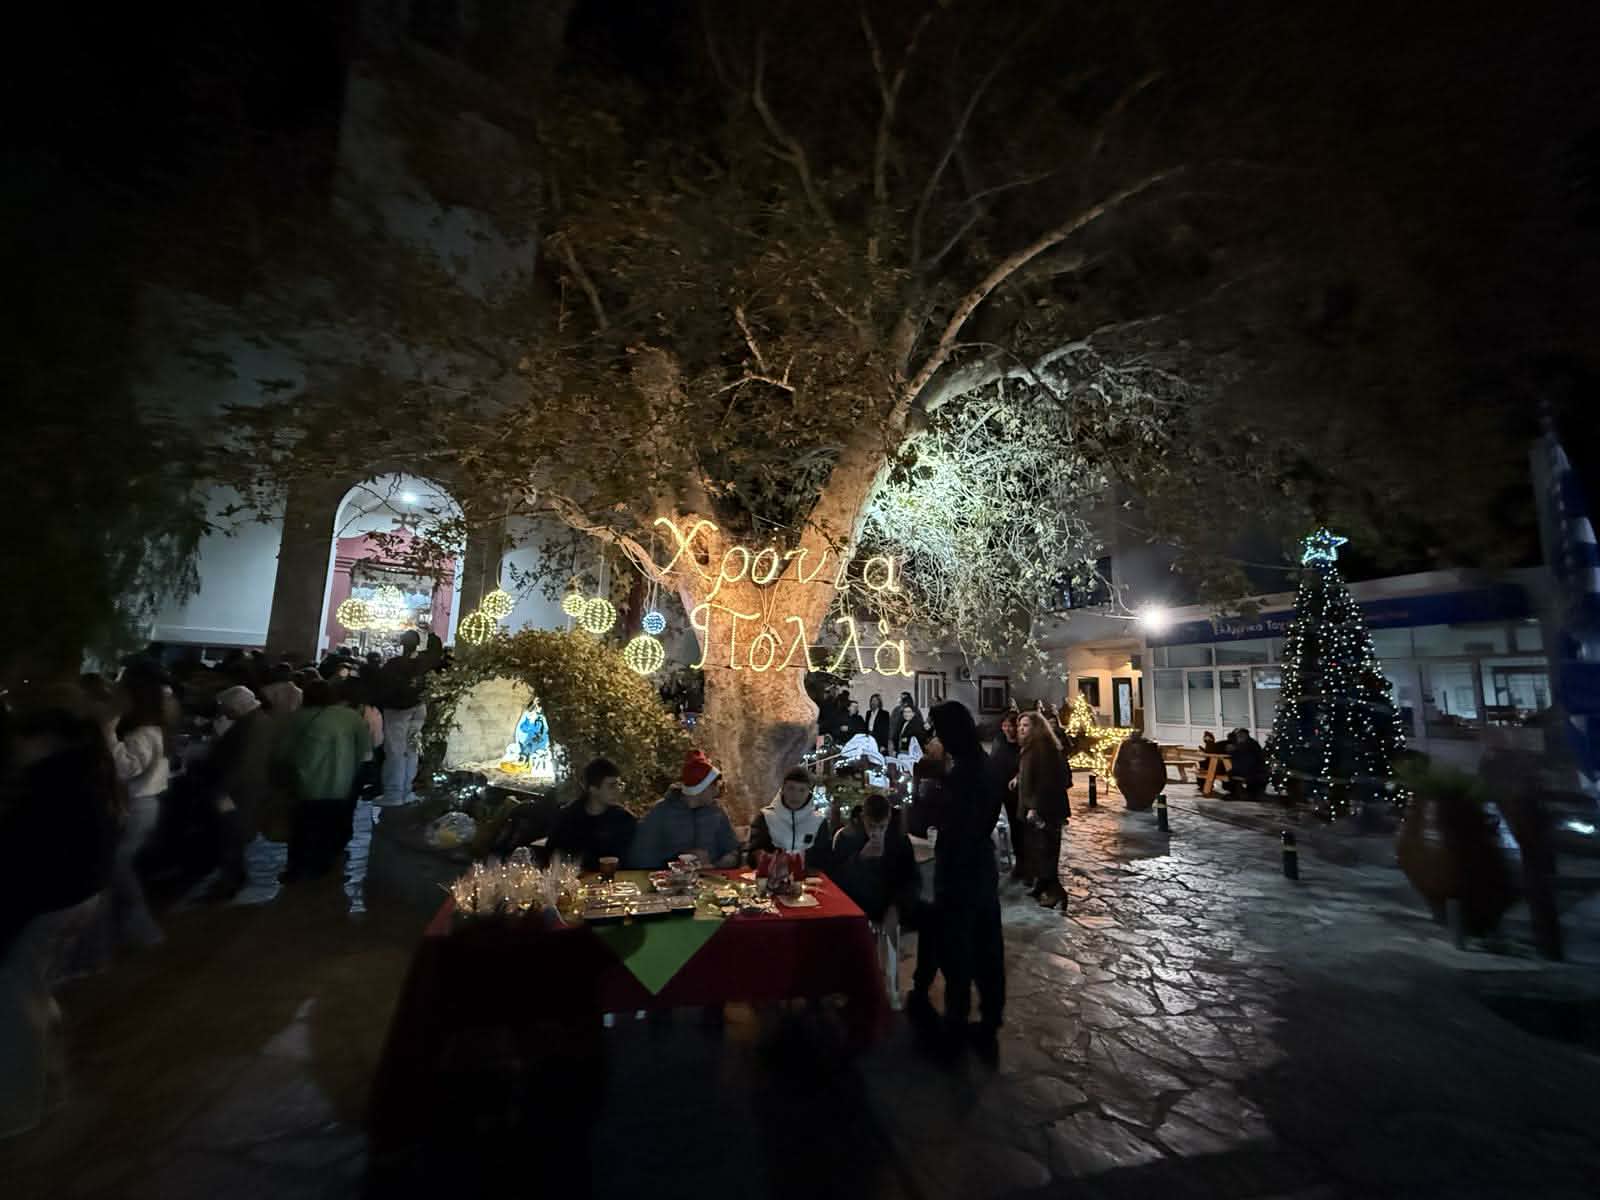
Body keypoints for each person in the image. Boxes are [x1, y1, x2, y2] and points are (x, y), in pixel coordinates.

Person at [0, 689, 120, 1138]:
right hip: (76, 899)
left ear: (41, 740)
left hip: (45, 905)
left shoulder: (50, 786)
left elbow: (24, 869)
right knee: (34, 993)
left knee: (15, 1007)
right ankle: (52, 1083)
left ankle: (15, 1112)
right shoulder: (84, 773)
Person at [913, 700, 1003, 1052]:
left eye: (938, 731)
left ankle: (956, 1019)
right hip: (980, 863)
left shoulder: (965, 774)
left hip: (961, 866)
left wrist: (934, 798)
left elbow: (957, 821)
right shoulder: (981, 764)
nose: (934, 738)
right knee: (986, 943)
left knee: (959, 945)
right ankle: (989, 1015)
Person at [274, 678, 372, 881]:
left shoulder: (297, 718)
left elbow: (283, 752)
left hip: (306, 783)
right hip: (342, 782)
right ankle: (324, 865)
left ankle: (297, 869)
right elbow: (364, 749)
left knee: (302, 827)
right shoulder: (350, 717)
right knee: (331, 825)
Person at [103, 673, 170, 948]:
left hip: (138, 805)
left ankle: (142, 926)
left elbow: (125, 768)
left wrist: (108, 730)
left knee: (118, 866)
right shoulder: (153, 730)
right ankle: (133, 927)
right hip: (145, 804)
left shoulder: (143, 734)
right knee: (120, 866)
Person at [202, 685, 276, 898]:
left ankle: (230, 882)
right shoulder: (259, 721)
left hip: (238, 792)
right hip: (246, 789)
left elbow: (242, 764)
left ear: (237, 707)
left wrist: (221, 791)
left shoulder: (250, 726)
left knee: (230, 835)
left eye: (226, 707)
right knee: (234, 836)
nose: (224, 711)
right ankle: (234, 877)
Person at [627, 750, 739, 869]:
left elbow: (732, 850)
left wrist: (724, 862)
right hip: (672, 879)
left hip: (712, 878)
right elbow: (640, 859)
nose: (717, 791)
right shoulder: (661, 812)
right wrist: (679, 860)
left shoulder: (717, 811)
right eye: (715, 786)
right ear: (703, 788)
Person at [829, 791, 921, 926]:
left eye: (882, 827)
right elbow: (836, 881)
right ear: (863, 817)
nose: (876, 832)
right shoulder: (848, 836)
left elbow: (911, 879)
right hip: (856, 911)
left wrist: (896, 907)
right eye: (871, 826)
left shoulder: (899, 838)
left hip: (889, 909)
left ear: (889, 819)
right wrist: (861, 859)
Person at [377, 629, 443, 806]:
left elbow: (382, 686)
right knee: (412, 749)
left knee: (395, 751)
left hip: (397, 709)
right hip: (419, 707)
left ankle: (394, 793)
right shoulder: (424, 662)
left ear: (402, 644)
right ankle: (407, 791)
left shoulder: (393, 664)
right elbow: (436, 654)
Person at [1016, 711, 1069, 909]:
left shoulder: (1043, 748)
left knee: (1047, 850)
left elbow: (1045, 781)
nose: (1021, 729)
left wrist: (1034, 807)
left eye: (1026, 725)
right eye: (1020, 725)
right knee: (1036, 849)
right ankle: (1041, 885)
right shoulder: (1031, 746)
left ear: (1036, 728)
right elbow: (1029, 771)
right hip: (1033, 805)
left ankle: (1056, 893)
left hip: (1045, 809)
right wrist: (1018, 779)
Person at [546, 758, 638, 871]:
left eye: (619, 785)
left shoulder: (624, 819)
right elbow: (552, 855)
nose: (617, 790)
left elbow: (630, 861)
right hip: (573, 878)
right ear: (593, 789)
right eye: (612, 786)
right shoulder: (568, 818)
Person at [747, 767, 829, 866]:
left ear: (809, 792)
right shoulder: (765, 817)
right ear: (783, 789)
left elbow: (824, 857)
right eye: (791, 788)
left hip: (808, 874)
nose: (796, 795)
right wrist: (760, 857)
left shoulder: (819, 821)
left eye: (802, 790)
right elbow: (752, 857)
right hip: (773, 873)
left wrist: (800, 861)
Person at [988, 710, 1023, 881]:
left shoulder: (1022, 745)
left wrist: (1018, 777)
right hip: (998, 787)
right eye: (1004, 725)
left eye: (1010, 726)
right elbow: (993, 761)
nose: (1007, 729)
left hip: (1015, 791)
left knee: (1017, 826)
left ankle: (1022, 862)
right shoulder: (999, 741)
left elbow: (1025, 767)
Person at [1224, 729, 1267, 798]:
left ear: (1246, 735)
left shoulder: (1251, 744)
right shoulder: (1241, 744)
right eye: (1238, 736)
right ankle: (1237, 792)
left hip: (1253, 771)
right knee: (1230, 773)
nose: (1239, 738)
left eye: (1241, 735)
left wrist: (1234, 750)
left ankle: (1239, 793)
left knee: (1232, 773)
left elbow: (1249, 761)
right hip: (1246, 769)